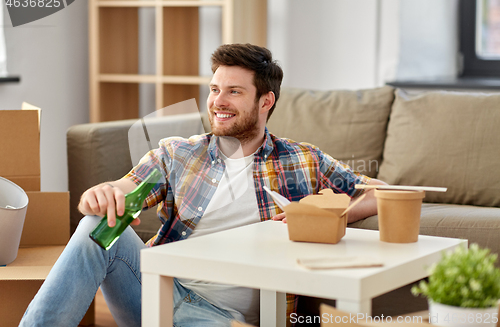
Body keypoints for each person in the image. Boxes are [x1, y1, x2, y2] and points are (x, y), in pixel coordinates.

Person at [20, 43, 386, 327]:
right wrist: (102, 194)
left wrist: (321, 214)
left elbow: (382, 193)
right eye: (214, 89)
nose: (217, 102)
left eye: (234, 92)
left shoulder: (303, 160)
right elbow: (124, 190)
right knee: (98, 228)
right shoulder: (177, 153)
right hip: (156, 293)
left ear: (266, 101)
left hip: (224, 317)